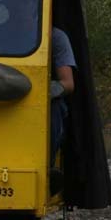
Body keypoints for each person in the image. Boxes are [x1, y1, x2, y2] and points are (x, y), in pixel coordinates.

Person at [50, 27, 76, 166]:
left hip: (46, 103)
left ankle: (49, 165)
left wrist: (42, 91)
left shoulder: (55, 37)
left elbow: (68, 83)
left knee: (54, 108)